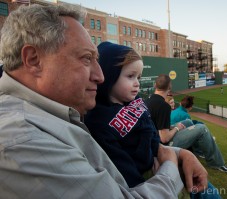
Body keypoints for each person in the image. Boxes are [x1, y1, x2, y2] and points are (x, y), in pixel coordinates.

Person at [0, 5, 184, 198]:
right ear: (33, 59)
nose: (100, 76)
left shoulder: (47, 113)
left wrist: (178, 154)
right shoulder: (22, 141)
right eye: (86, 58)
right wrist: (170, 167)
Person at [84, 42, 210, 196]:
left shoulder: (134, 100)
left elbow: (149, 128)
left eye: (138, 77)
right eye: (130, 76)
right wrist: (160, 171)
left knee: (205, 187)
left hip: (158, 157)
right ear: (109, 75)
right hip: (144, 180)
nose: (137, 83)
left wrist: (163, 151)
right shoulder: (98, 121)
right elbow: (122, 171)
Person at [145, 74, 227, 173]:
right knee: (202, 128)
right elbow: (164, 138)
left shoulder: (148, 100)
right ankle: (216, 163)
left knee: (188, 122)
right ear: (169, 87)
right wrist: (176, 128)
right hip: (162, 148)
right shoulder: (163, 106)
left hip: (152, 143)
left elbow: (156, 125)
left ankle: (198, 152)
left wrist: (174, 127)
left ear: (155, 85)